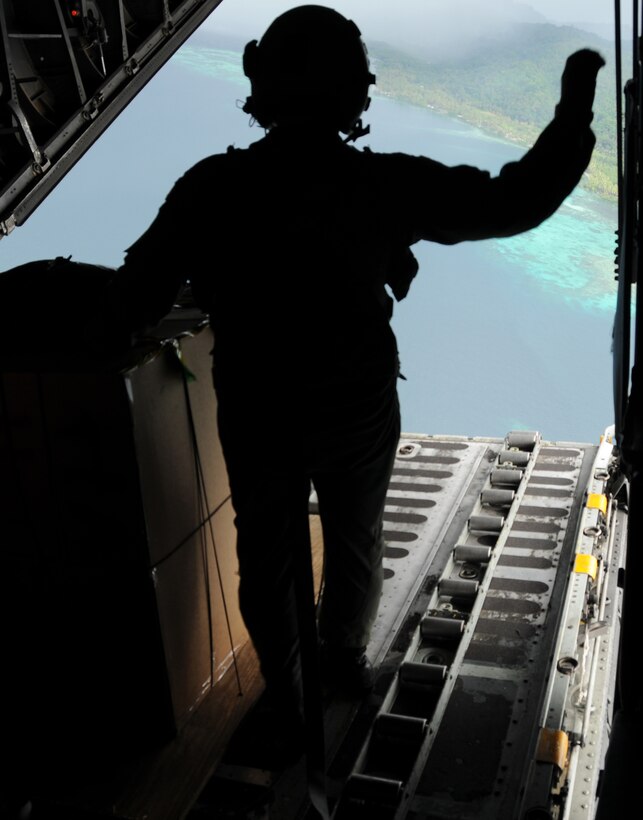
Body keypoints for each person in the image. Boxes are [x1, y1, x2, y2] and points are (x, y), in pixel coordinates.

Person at [100, 3, 604, 764]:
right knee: (354, 537)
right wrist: (571, 116)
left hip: (259, 402)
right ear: (352, 95)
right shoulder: (377, 185)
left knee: (264, 550)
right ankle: (342, 660)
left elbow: (134, 298)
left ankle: (289, 685)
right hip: (354, 401)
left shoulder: (212, 187)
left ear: (262, 86)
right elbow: (511, 202)